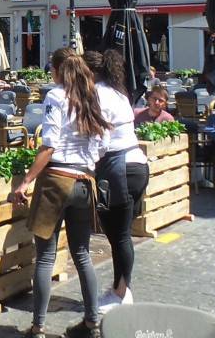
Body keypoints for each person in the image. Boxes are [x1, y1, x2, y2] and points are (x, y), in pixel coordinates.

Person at [11, 49, 109, 336]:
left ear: (56, 71)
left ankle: (38, 327)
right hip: (84, 181)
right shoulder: (91, 97)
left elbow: (50, 145)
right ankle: (92, 321)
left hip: (57, 180)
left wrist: (26, 181)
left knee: (45, 257)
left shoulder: (55, 96)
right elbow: (102, 145)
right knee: (82, 254)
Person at [84, 50, 149, 311]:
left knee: (118, 235)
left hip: (117, 169)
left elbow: (101, 140)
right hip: (137, 164)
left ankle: (122, 293)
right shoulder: (120, 92)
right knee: (121, 235)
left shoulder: (97, 94)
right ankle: (121, 289)